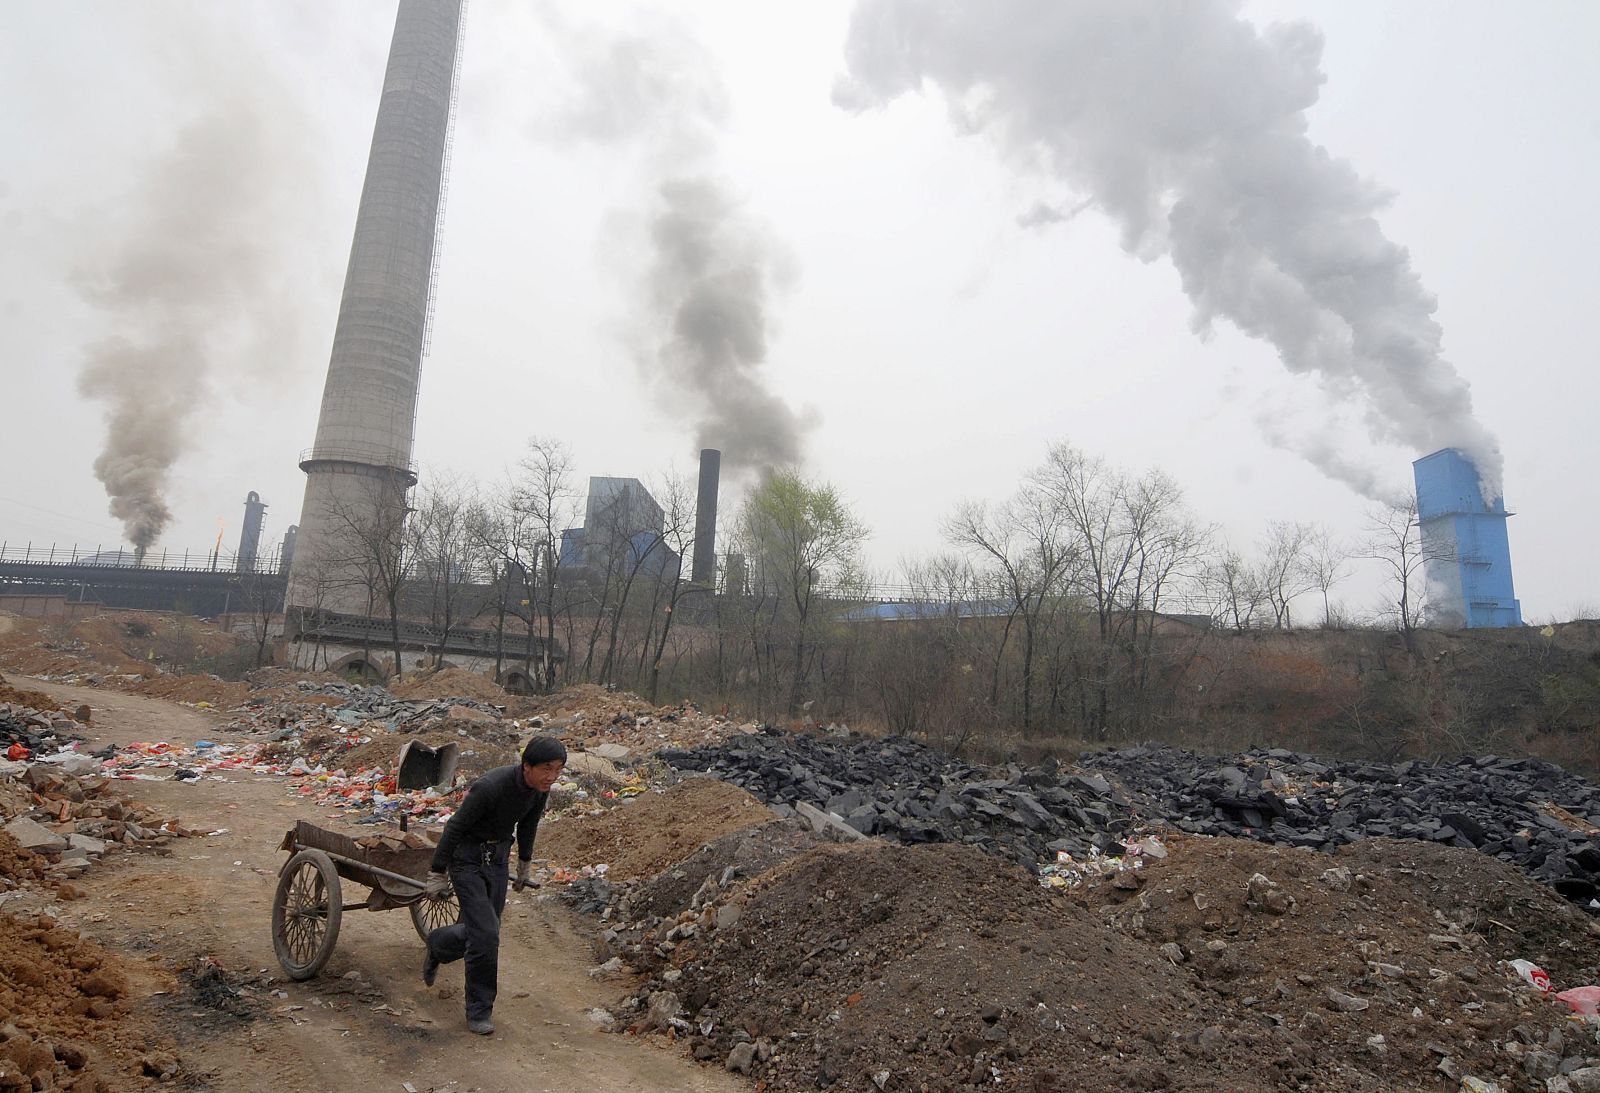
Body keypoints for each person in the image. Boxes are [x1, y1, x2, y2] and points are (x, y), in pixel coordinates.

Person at [421, 735, 566, 1034]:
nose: (552, 777)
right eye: (546, 769)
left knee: (485, 930)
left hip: (497, 858)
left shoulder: (538, 791)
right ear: (527, 765)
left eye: (558, 770)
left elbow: (528, 824)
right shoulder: (491, 786)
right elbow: (455, 826)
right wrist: (437, 872)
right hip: (467, 859)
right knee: (486, 934)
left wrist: (524, 864)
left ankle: (438, 943)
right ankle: (479, 1012)